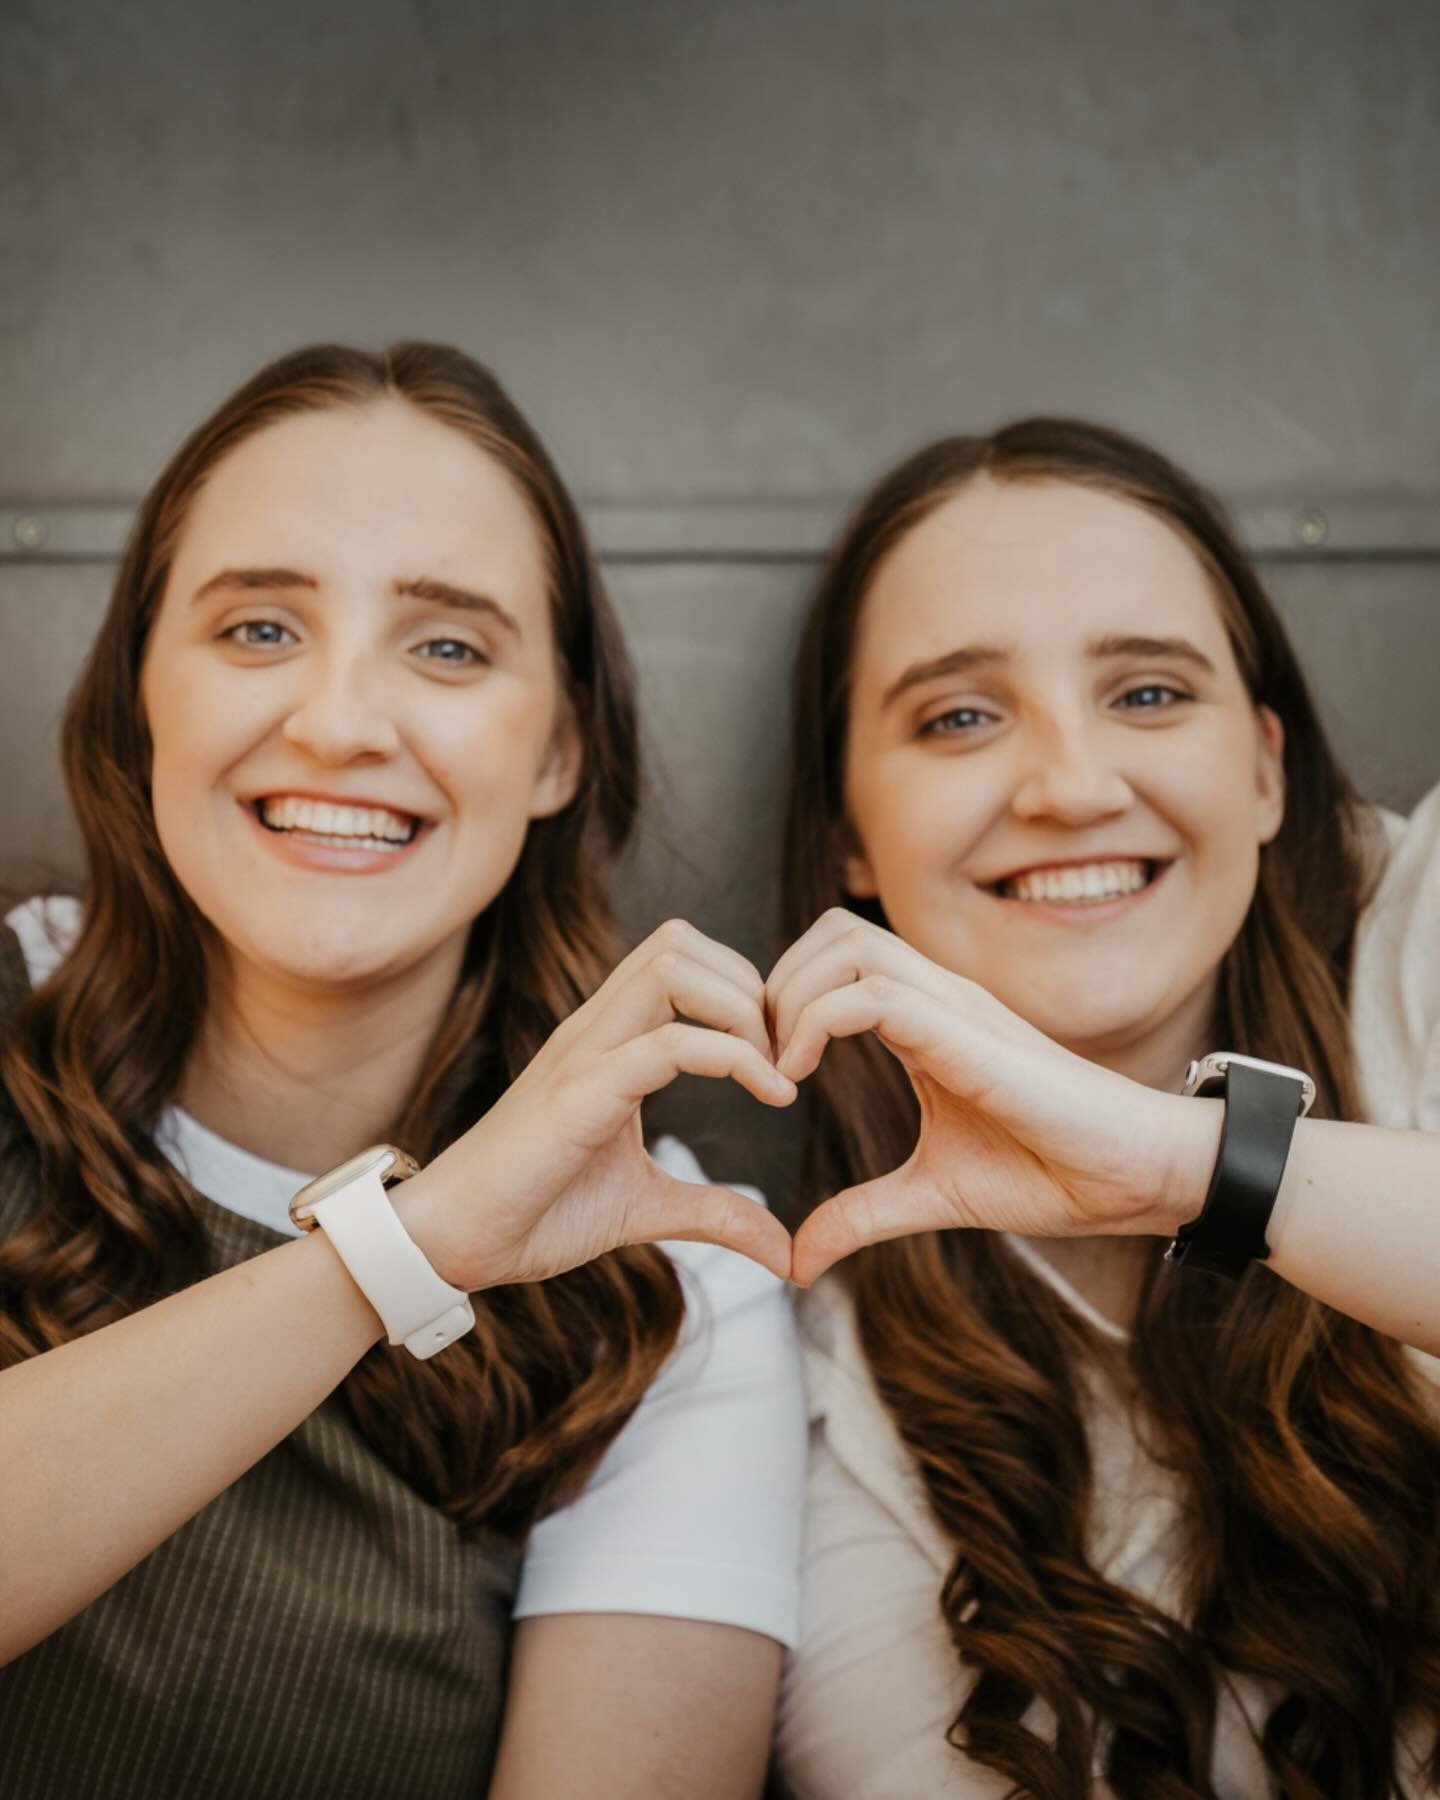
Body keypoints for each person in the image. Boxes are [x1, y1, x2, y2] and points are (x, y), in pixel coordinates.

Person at [0, 342, 805, 1800]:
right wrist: (402, 1252)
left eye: (446, 647)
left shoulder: (680, 1293)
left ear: (559, 745)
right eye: (256, 629)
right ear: (139, 695)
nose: (340, 723)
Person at [767, 419, 1440, 1799]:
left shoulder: (1424, 938)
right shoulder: (827, 1364)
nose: (1071, 785)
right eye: (959, 716)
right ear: (850, 830)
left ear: (1263, 770)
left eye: (1147, 695)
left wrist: (1185, 1164)